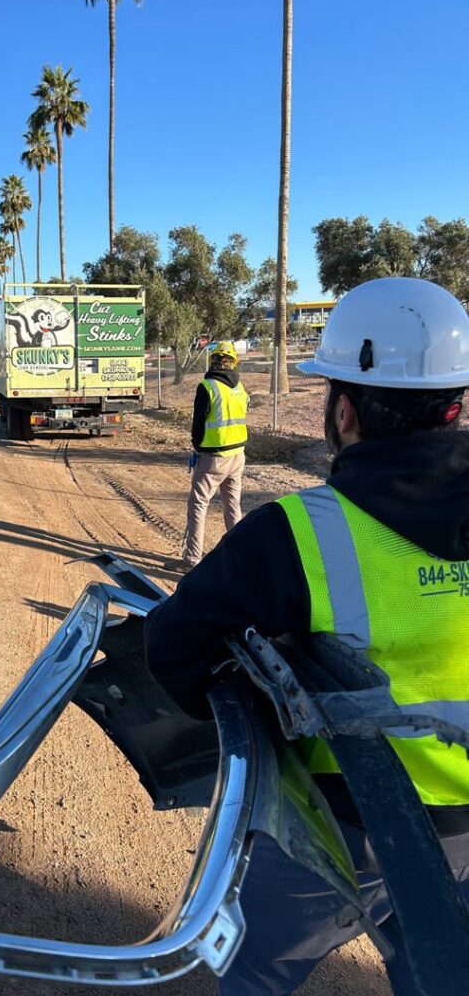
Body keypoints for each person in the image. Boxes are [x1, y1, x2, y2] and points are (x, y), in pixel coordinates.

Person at [145, 277, 469, 995]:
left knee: (253, 970)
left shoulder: (297, 534)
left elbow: (173, 653)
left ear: (343, 410)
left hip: (347, 827)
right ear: (454, 403)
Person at [175, 340, 249, 571]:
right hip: (238, 454)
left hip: (214, 457)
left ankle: (192, 559)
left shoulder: (207, 386)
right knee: (232, 505)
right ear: (233, 362)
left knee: (198, 504)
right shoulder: (240, 387)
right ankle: (238, 555)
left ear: (213, 360)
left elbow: (198, 423)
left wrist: (197, 447)